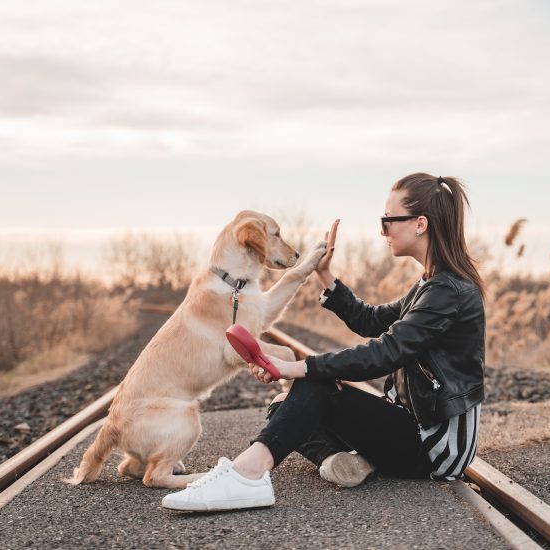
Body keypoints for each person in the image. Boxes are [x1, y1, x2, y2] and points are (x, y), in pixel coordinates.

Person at [161, 172, 486, 512]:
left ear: (420, 224)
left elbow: (385, 353)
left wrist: (299, 367)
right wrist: (325, 275)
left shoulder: (447, 292)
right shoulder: (430, 285)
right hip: (410, 426)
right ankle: (338, 461)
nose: (382, 231)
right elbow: (370, 320)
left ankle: (247, 474)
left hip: (435, 446)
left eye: (387, 220)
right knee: (284, 406)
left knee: (310, 389)